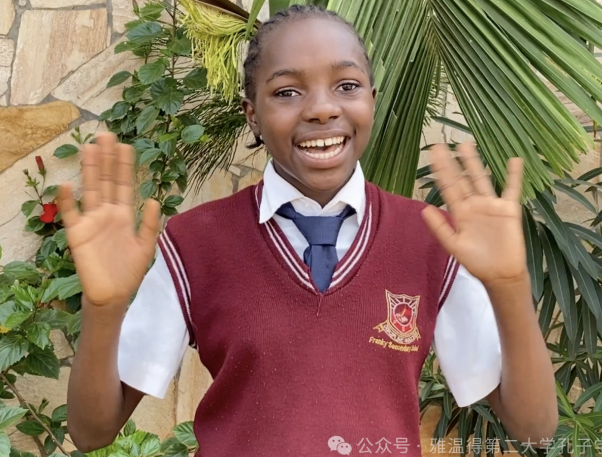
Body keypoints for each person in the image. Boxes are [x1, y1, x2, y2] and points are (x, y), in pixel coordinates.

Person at [63, 5, 557, 456]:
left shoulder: (432, 240)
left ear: (372, 100)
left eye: (347, 86)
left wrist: (510, 286)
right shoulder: (196, 243)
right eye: (287, 92)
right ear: (252, 115)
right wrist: (103, 309)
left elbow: (534, 425)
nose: (322, 109)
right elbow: (91, 432)